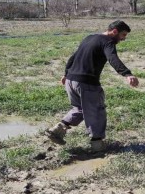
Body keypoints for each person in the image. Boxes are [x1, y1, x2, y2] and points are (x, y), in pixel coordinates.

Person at [46, 20, 139, 151]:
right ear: (115, 31)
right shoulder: (108, 41)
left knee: (80, 108)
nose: (123, 39)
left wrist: (66, 74)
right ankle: (97, 145)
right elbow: (113, 58)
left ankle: (57, 130)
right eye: (123, 35)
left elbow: (74, 57)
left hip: (71, 81)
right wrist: (127, 74)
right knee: (97, 111)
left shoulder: (89, 38)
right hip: (86, 83)